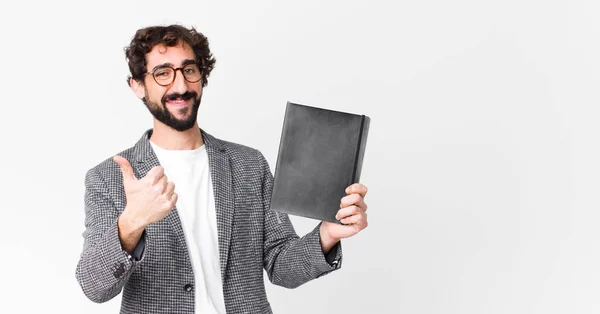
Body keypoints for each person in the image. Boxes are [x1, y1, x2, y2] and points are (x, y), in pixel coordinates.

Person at [75, 24, 369, 314]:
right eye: (163, 73)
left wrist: (328, 233)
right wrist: (130, 224)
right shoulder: (107, 178)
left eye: (189, 70)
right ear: (137, 85)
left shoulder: (249, 165)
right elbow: (94, 287)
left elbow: (282, 266)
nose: (180, 86)